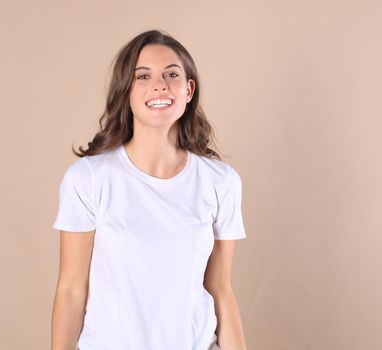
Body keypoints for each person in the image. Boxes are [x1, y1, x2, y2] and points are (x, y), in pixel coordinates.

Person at [51, 29, 248, 350]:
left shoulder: (221, 181)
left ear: (188, 89)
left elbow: (220, 288)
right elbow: (71, 289)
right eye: (142, 76)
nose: (160, 84)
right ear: (125, 91)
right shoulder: (88, 178)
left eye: (171, 74)